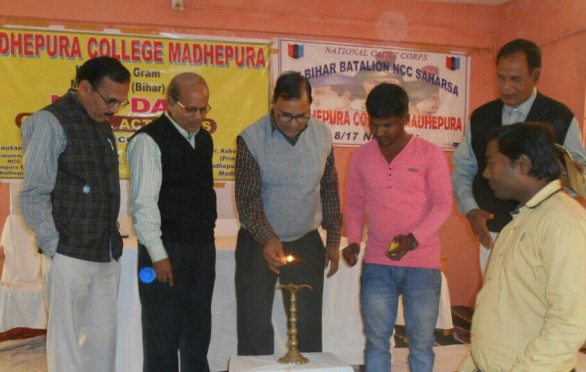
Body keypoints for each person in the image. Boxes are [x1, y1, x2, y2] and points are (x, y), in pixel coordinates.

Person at [19, 56, 130, 372]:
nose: (113, 110)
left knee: (102, 340)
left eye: (120, 102)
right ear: (84, 87)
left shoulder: (102, 125)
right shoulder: (49, 122)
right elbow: (33, 193)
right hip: (68, 252)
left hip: (105, 252)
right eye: (109, 100)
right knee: (66, 343)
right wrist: (55, 247)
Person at [342, 83, 453, 371]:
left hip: (423, 266)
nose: (379, 133)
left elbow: (443, 205)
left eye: (388, 125)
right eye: (374, 125)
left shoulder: (430, 154)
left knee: (421, 342)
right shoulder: (361, 156)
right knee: (377, 340)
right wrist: (353, 239)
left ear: (406, 118)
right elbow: (354, 203)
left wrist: (413, 240)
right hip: (377, 263)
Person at [458, 123, 586, 371]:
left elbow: (571, 323)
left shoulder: (564, 223)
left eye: (491, 163)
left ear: (523, 164)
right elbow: (498, 308)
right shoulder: (519, 222)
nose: (485, 174)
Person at [452, 39, 586, 274]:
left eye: (515, 79)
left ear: (535, 75)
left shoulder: (560, 116)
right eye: (501, 77)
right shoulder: (482, 117)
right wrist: (471, 210)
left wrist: (573, 178)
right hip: (494, 231)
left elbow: (580, 176)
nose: (505, 86)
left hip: (545, 230)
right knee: (496, 302)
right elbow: (463, 168)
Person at [235, 71, 342, 355]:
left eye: (301, 116)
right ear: (274, 104)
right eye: (285, 116)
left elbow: (329, 186)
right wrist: (268, 237)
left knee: (307, 323)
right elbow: (247, 199)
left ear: (310, 108)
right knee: (254, 323)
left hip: (306, 239)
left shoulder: (322, 135)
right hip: (258, 242)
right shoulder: (251, 138)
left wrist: (333, 239)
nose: (294, 124)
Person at [127, 72, 216, 371]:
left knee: (197, 338)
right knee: (162, 340)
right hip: (165, 252)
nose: (198, 116)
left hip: (202, 249)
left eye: (203, 109)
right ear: (170, 103)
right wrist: (158, 255)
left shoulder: (204, 140)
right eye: (190, 109)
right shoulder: (148, 140)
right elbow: (143, 204)